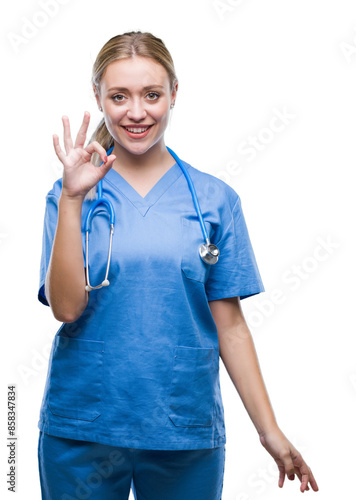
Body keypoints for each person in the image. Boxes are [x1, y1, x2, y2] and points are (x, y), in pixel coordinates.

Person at [37, 31, 319, 500]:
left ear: (173, 94)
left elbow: (230, 327)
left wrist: (269, 430)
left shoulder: (214, 200)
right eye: (119, 96)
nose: (136, 112)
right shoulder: (70, 193)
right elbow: (66, 308)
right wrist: (71, 199)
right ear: (98, 98)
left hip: (182, 430)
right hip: (83, 426)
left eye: (152, 95)